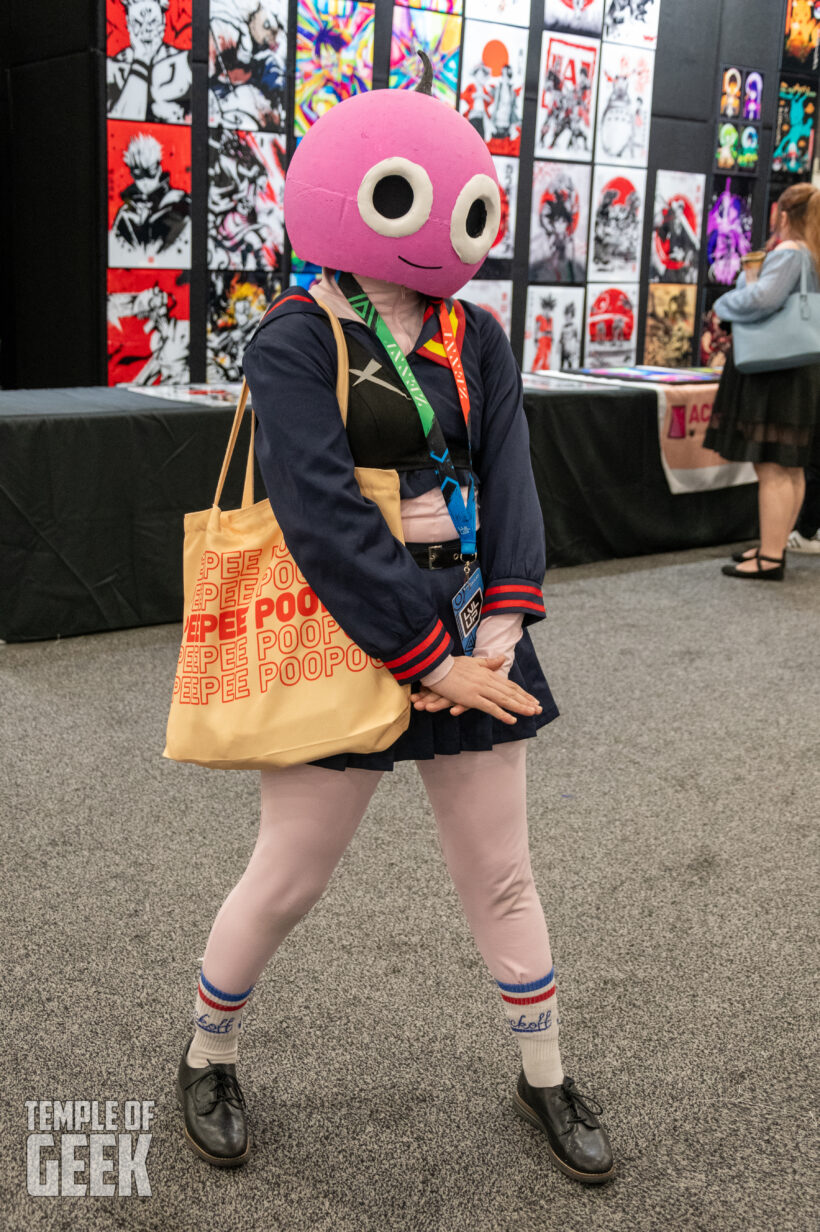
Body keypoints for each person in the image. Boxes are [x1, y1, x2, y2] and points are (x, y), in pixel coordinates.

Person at [174, 59, 615, 1185]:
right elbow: (318, 513)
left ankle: (546, 1075)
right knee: (290, 873)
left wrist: (500, 629)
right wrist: (424, 658)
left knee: (503, 875)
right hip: (346, 630)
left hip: (473, 626)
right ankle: (206, 1048)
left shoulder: (474, 335)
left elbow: (511, 474)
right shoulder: (294, 332)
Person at [704, 183, 820, 580]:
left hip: (775, 374)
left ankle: (770, 557)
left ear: (784, 216)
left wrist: (721, 304)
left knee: (771, 466)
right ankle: (773, 546)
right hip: (799, 372)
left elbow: (762, 300)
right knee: (791, 466)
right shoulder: (813, 255)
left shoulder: (789, 253)